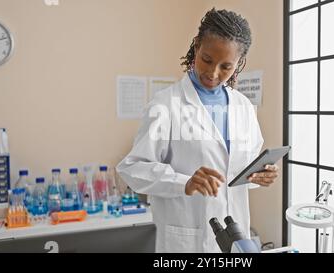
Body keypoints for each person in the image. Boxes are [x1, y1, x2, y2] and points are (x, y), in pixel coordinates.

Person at [116, 8, 279, 253]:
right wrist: (184, 183)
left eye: (226, 66)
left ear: (239, 64)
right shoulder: (166, 105)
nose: (213, 73)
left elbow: (240, 170)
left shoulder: (243, 106)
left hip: (236, 238)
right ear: (196, 46)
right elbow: (132, 169)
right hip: (187, 241)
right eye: (207, 59)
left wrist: (259, 175)